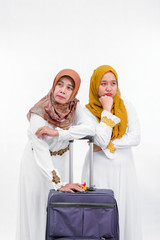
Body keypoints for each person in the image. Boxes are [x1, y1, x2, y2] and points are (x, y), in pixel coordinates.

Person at [16, 69, 94, 240]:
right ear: (53, 85)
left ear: (74, 92)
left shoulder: (74, 107)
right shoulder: (40, 111)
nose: (62, 90)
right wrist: (59, 183)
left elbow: (90, 128)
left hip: (62, 162)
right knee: (38, 212)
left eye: (69, 87)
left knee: (58, 212)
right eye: (60, 84)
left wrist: (59, 133)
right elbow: (41, 150)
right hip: (37, 166)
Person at [82, 65, 142, 240]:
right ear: (95, 86)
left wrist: (107, 145)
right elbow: (99, 139)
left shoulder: (126, 106)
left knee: (122, 209)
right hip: (97, 168)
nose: (109, 88)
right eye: (103, 83)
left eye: (113, 83)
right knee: (98, 214)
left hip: (124, 168)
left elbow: (135, 137)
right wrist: (106, 109)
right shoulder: (87, 111)